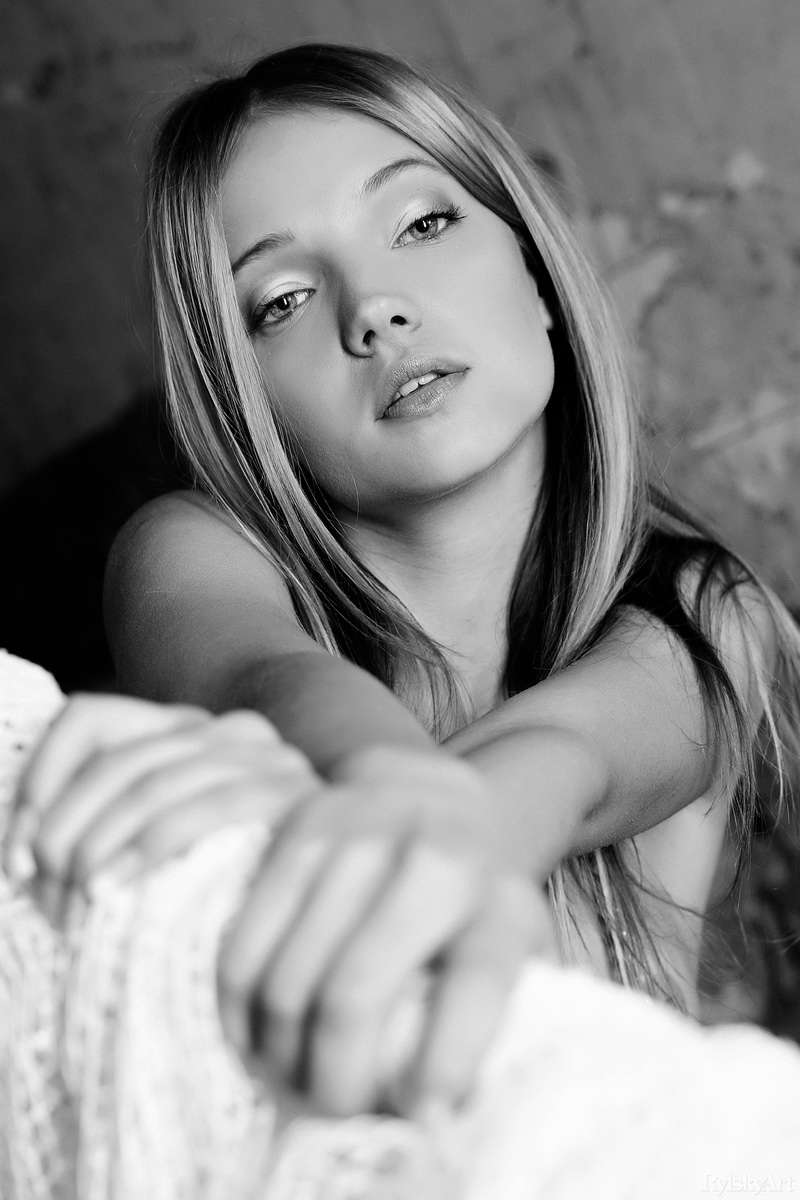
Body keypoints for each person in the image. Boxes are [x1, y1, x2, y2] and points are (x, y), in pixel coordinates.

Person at [5, 42, 800, 1121]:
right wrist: (378, 775)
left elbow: (565, 761)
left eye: (422, 224)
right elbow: (253, 675)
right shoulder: (191, 548)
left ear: (536, 272)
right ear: (247, 402)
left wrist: (415, 810)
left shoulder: (705, 607)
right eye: (281, 299)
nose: (372, 307)